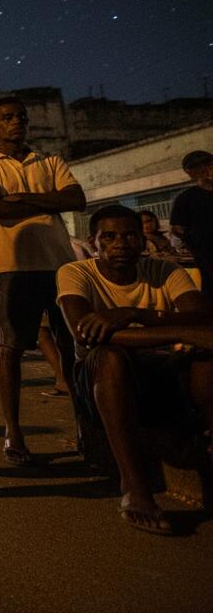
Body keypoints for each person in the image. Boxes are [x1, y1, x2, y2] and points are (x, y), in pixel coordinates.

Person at [56, 205, 213, 535]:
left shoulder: (165, 271)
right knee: (108, 355)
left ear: (142, 241)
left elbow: (200, 317)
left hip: (163, 374)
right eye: (109, 237)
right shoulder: (75, 272)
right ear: (93, 241)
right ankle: (135, 486)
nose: (120, 243)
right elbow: (84, 331)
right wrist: (178, 331)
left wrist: (134, 314)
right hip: (102, 380)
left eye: (129, 235)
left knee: (206, 354)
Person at [0, 95, 85, 466]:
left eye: (21, 116)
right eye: (7, 117)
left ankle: (88, 427)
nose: (16, 122)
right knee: (11, 348)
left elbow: (77, 198)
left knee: (75, 350)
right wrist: (49, 201)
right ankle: (14, 431)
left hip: (60, 266)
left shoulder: (49, 160)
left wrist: (23, 198)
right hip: (13, 266)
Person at [171, 150, 213, 293]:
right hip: (207, 258)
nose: (208, 170)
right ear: (191, 173)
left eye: (209, 165)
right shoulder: (186, 198)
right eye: (203, 167)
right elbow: (177, 228)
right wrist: (197, 246)